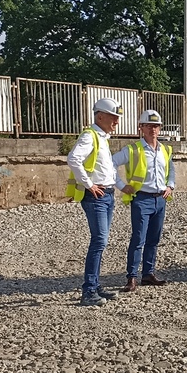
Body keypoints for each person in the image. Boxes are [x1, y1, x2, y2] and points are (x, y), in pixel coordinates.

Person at [66, 97, 123, 306]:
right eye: (114, 117)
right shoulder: (90, 136)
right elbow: (73, 159)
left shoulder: (102, 137)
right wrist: (90, 185)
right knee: (99, 241)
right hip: (96, 197)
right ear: (100, 116)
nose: (117, 121)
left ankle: (95, 285)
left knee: (101, 242)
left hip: (106, 195)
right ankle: (89, 290)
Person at [113, 109, 176, 292]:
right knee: (138, 239)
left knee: (154, 239)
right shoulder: (133, 149)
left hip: (160, 199)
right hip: (142, 199)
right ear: (141, 127)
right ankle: (131, 277)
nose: (152, 129)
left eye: (156, 126)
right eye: (148, 126)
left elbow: (171, 170)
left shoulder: (165, 149)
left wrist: (170, 186)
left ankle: (148, 273)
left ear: (161, 128)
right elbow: (111, 163)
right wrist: (122, 186)